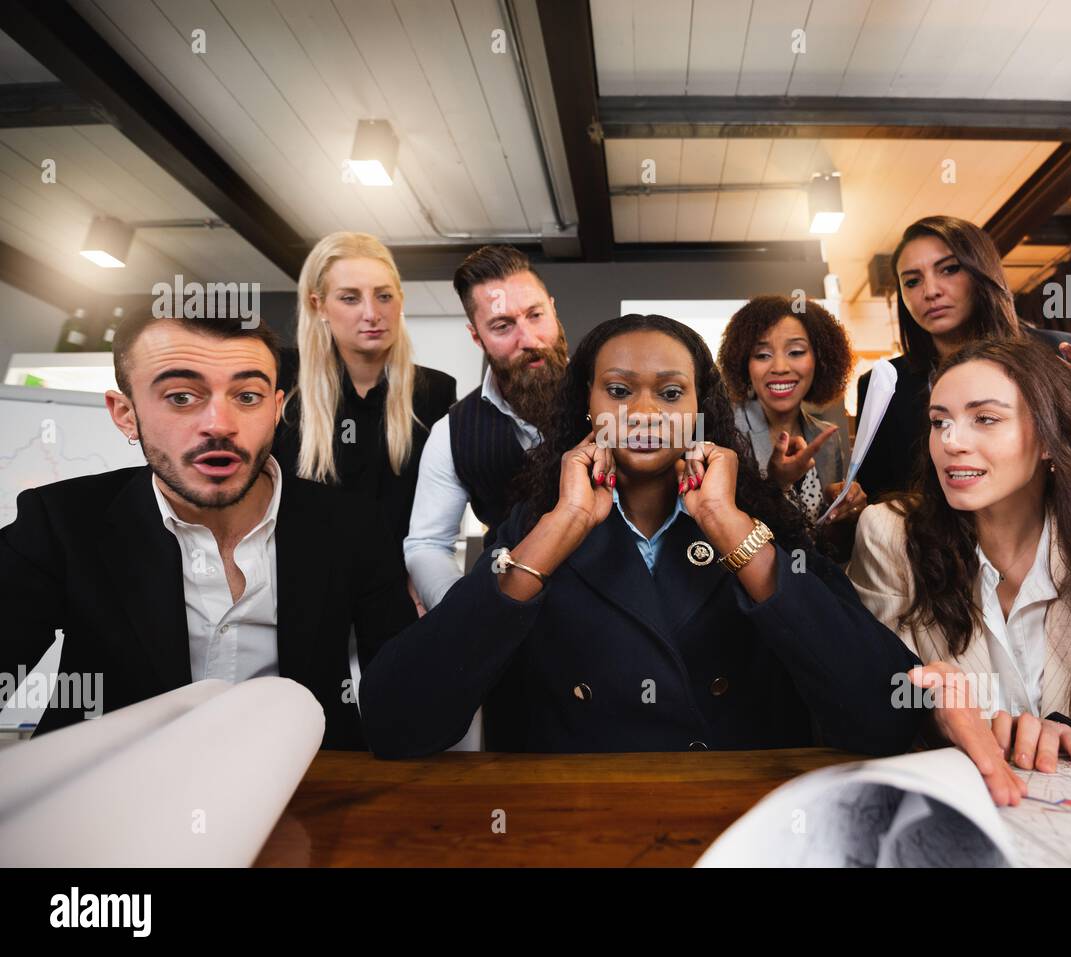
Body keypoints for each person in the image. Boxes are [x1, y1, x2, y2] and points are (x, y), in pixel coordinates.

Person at [360, 314, 924, 757]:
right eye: (619, 391)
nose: (645, 411)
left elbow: (886, 712)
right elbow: (397, 722)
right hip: (580, 829)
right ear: (587, 405)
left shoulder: (758, 522)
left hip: (737, 830)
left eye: (672, 394)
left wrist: (730, 527)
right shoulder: (536, 526)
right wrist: (563, 526)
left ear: (702, 407)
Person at [0, 313, 416, 749]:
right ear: (125, 414)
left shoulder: (351, 525)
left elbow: (408, 693)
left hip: (302, 789)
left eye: (248, 396)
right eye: (181, 397)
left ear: (276, 410)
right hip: (109, 794)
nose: (219, 424)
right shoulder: (60, 521)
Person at [849, 338, 1071, 803]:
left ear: (1050, 440)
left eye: (985, 419)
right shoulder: (892, 535)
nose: (951, 441)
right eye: (939, 422)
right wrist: (946, 721)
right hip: (959, 808)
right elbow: (880, 703)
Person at [852, 216, 1071, 500]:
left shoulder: (1061, 355)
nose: (931, 291)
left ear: (980, 271)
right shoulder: (883, 384)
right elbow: (875, 492)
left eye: (949, 269)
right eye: (912, 281)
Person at [404, 245, 568, 611]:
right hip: (513, 624)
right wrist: (464, 612)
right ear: (477, 336)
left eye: (536, 315)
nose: (528, 340)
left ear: (553, 309)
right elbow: (427, 544)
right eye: (502, 326)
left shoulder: (611, 397)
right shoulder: (452, 432)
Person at [274, 232, 456, 559]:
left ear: (400, 299)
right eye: (350, 298)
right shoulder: (281, 379)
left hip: (395, 592)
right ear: (319, 306)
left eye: (384, 296)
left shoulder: (435, 392)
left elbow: (435, 514)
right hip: (295, 589)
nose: (372, 313)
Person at [717, 294, 866, 560]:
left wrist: (846, 513)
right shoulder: (725, 431)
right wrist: (777, 486)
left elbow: (823, 542)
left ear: (819, 360)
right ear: (744, 365)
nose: (780, 367)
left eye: (796, 352)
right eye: (762, 355)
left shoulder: (825, 437)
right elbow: (721, 534)